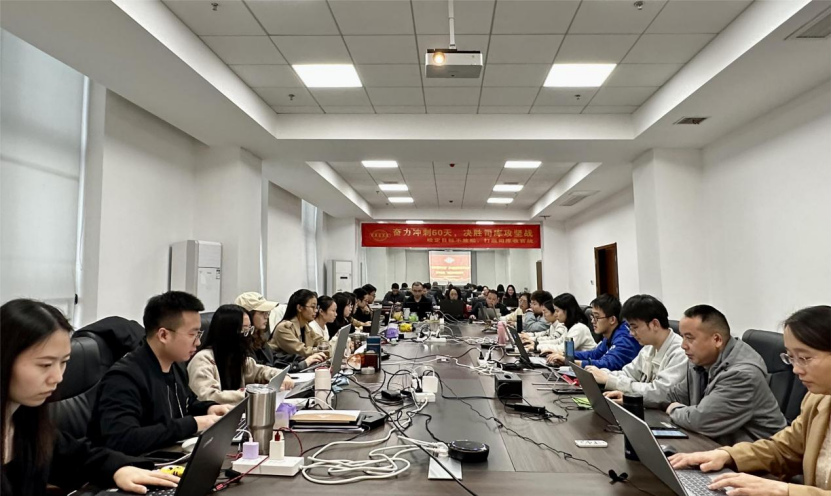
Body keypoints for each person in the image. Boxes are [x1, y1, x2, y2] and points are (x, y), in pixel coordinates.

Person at [1, 299, 180, 496]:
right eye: (45, 365)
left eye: (64, 362)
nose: (58, 377)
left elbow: (78, 456)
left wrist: (119, 469)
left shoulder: (25, 419)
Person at [669, 305, 831, 495]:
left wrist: (785, 491)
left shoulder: (743, 372)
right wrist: (727, 455)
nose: (796, 369)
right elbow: (784, 449)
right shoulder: (818, 399)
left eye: (804, 358)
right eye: (791, 357)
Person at [88, 291, 232, 456]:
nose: (198, 342)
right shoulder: (123, 378)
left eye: (199, 334)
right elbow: (123, 439)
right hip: (135, 465)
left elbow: (187, 403)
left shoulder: (176, 365)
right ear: (163, 335)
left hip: (170, 454)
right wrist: (192, 424)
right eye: (192, 334)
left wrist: (209, 408)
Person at [660, 305, 786, 445]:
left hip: (759, 455)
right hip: (719, 446)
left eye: (689, 338)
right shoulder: (701, 363)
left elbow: (701, 421)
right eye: (682, 337)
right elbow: (675, 395)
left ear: (717, 340)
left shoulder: (742, 375)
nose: (683, 345)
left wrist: (674, 409)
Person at [188, 304, 294, 405]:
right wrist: (254, 393)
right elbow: (209, 396)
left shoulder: (236, 357)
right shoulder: (203, 360)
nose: (248, 336)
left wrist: (282, 377)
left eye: (250, 329)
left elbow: (260, 371)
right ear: (228, 332)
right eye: (244, 330)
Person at [597, 295, 687, 406]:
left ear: (654, 324)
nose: (631, 333)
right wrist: (602, 374)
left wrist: (610, 381)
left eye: (634, 327)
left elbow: (659, 392)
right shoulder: (648, 348)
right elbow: (628, 373)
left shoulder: (680, 352)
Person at [546, 294, 640, 370]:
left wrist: (569, 361)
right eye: (592, 316)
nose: (592, 321)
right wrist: (566, 355)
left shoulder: (624, 338)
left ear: (612, 320)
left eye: (597, 317)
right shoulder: (610, 334)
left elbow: (607, 364)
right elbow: (594, 354)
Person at [525, 294, 596, 354]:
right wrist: (537, 344)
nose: (555, 315)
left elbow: (564, 349)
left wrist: (537, 347)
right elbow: (559, 341)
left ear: (567, 311)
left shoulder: (579, 328)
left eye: (557, 311)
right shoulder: (568, 326)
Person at [269, 289, 327, 359]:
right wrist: (322, 350)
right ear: (299, 308)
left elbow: (321, 341)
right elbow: (301, 351)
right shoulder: (284, 328)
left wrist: (328, 346)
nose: (316, 310)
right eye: (312, 307)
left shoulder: (306, 326)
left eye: (316, 307)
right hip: (281, 365)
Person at [234, 292, 279, 367]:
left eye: (267, 313)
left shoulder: (259, 336)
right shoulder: (241, 341)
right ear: (248, 315)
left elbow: (273, 358)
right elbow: (256, 368)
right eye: (262, 313)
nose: (266, 317)